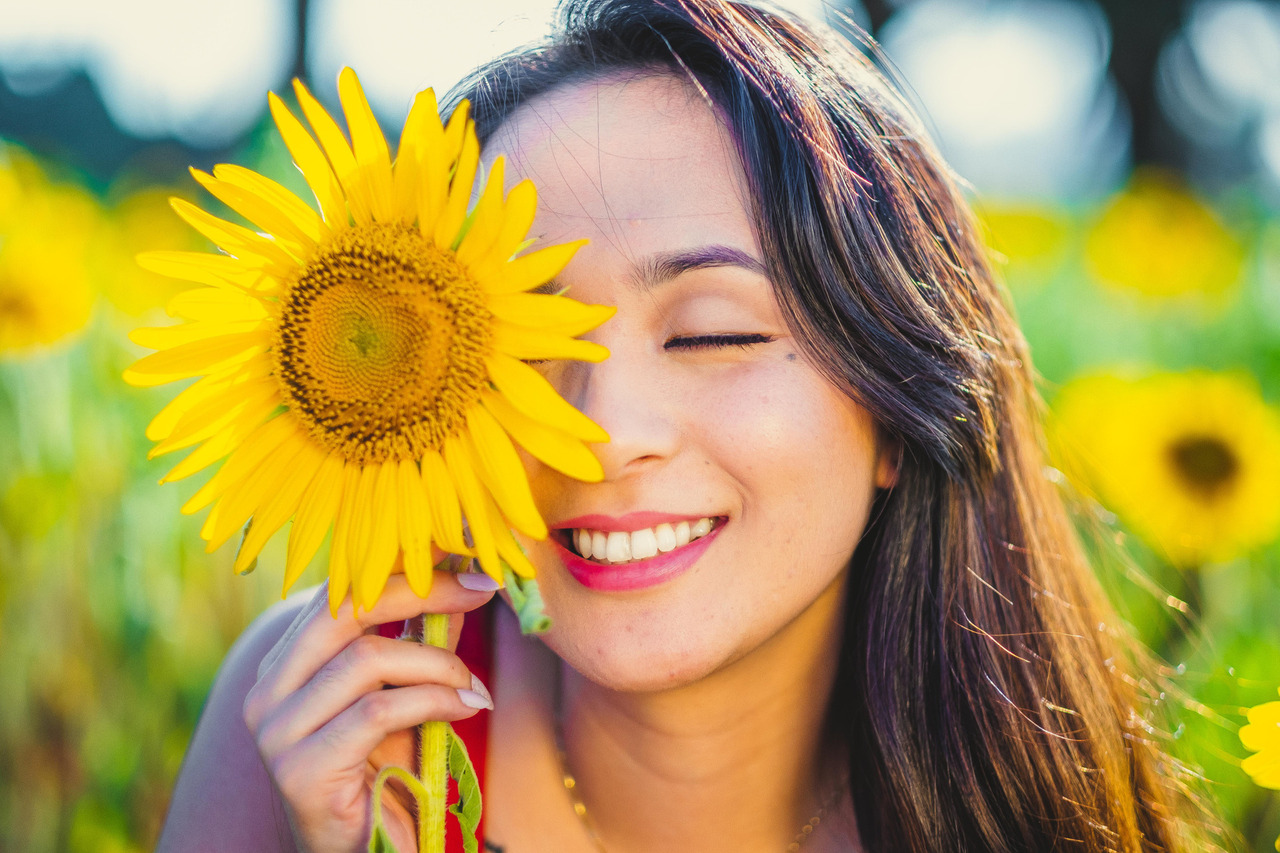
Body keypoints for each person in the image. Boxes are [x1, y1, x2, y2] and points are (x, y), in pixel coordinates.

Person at [158, 1, 1226, 851]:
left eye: (714, 333)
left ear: (897, 400)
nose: (605, 434)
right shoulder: (324, 726)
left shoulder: (1026, 805)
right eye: (524, 356)